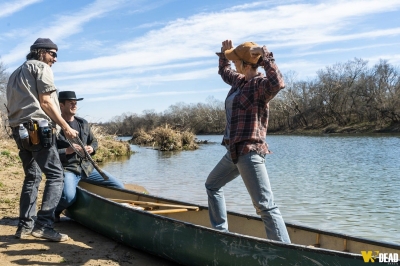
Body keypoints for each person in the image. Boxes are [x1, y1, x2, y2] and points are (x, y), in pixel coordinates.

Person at [205, 40, 291, 243]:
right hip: (233, 153)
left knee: (265, 206)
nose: (233, 65)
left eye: (236, 62)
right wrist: (225, 54)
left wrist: (265, 53)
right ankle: (220, 234)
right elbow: (224, 72)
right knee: (212, 185)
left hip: (250, 152)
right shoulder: (239, 82)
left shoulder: (260, 85)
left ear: (245, 65)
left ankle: (285, 254)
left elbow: (278, 82)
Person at [6, 38, 78, 242]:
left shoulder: (14, 74)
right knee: (56, 175)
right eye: (52, 53)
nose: (55, 58)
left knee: (32, 177)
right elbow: (46, 102)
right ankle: (44, 226)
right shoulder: (41, 68)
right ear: (40, 52)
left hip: (19, 129)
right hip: (38, 128)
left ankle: (24, 227)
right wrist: (65, 127)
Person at [54, 91, 124, 222]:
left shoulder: (83, 123)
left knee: (119, 187)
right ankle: (54, 212)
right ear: (61, 106)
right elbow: (49, 153)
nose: (74, 105)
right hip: (68, 169)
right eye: (71, 103)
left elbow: (94, 141)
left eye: (75, 103)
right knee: (68, 197)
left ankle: (97, 210)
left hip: (87, 168)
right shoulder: (55, 127)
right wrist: (67, 151)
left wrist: (92, 148)